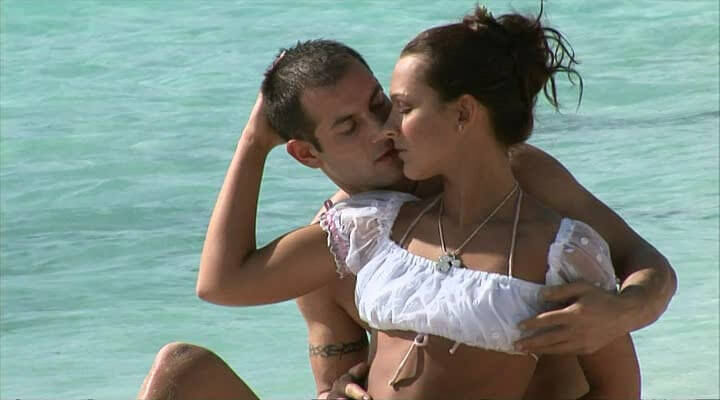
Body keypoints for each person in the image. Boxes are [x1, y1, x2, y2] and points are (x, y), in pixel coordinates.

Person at [138, 7, 676, 400]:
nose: (383, 129)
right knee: (179, 371)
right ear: (305, 153)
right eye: (349, 126)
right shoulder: (351, 235)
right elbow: (227, 288)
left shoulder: (525, 182)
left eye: (383, 105)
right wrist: (255, 141)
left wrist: (620, 313)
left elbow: (646, 266)